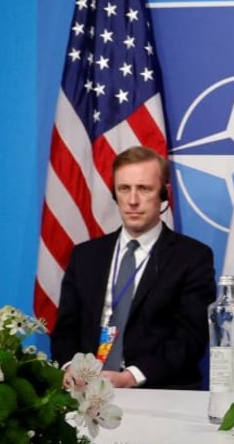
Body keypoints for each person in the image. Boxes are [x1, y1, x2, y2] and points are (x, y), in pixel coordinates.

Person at [51, 146, 216, 388]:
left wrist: (131, 377)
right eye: (124, 189)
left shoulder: (192, 257)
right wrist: (70, 367)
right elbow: (65, 329)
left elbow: (191, 337)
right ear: (114, 193)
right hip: (85, 391)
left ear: (164, 194)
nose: (132, 201)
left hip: (159, 391)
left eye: (144, 189)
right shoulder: (85, 256)